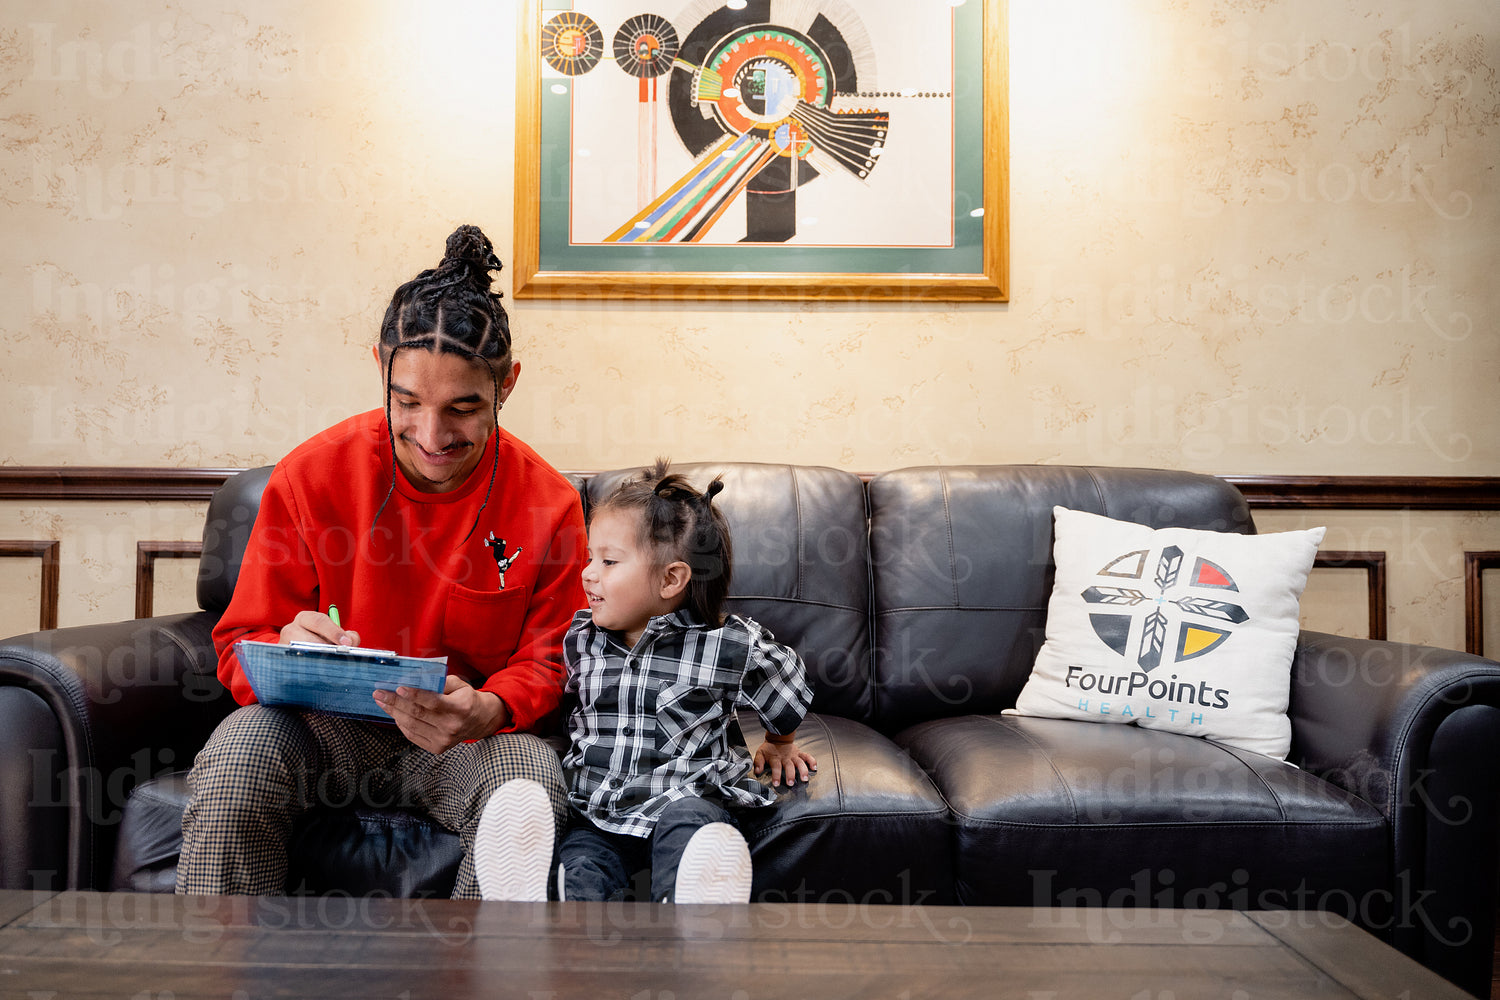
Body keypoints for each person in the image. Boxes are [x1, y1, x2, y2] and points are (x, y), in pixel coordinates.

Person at [176, 224, 586, 898]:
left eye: (463, 408)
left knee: (529, 782)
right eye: (407, 403)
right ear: (380, 367)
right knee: (234, 760)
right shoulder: (309, 476)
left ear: (506, 384)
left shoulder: (550, 503)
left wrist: (490, 705)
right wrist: (282, 645)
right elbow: (236, 644)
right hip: (321, 731)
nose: (432, 437)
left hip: (462, 744)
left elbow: (553, 656)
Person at [472, 461, 816, 904]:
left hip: (685, 797)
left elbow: (783, 676)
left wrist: (780, 741)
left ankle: (694, 913)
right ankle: (537, 908)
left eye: (609, 561)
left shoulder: (725, 643)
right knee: (581, 866)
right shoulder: (582, 637)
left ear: (671, 578)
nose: (588, 573)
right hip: (600, 812)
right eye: (590, 557)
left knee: (694, 828)